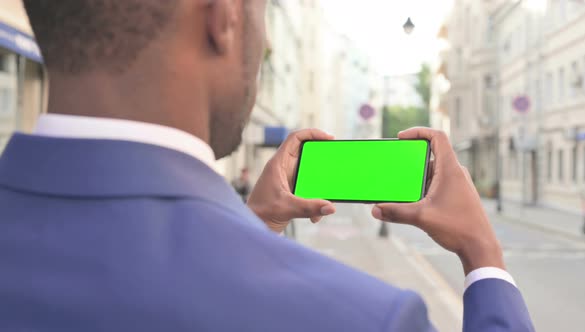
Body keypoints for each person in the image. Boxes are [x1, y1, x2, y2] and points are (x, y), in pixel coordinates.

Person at [0, 1, 534, 331]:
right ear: (224, 17)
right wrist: (483, 256)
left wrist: (251, 230)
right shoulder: (360, 318)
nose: (268, 41)